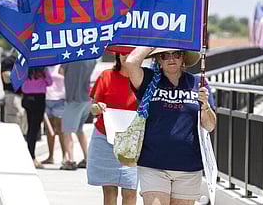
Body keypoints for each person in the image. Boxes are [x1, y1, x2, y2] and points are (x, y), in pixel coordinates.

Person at [125, 47, 216, 205]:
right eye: (164, 55)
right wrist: (156, 41)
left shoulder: (197, 82)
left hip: (189, 166)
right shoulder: (148, 79)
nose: (171, 58)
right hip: (153, 164)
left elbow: (210, 126)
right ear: (159, 60)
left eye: (176, 54)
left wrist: (205, 106)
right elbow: (131, 63)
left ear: (183, 58)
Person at [87, 52, 138, 205]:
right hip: (105, 139)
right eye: (122, 52)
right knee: (109, 191)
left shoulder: (143, 78)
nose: (126, 55)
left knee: (130, 191)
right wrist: (98, 107)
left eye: (130, 52)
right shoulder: (106, 75)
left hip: (132, 143)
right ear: (117, 55)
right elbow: (93, 109)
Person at [60, 59, 96, 170]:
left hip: (74, 98)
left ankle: (70, 160)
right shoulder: (92, 59)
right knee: (79, 130)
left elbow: (60, 71)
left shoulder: (70, 57)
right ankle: (87, 158)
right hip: (86, 98)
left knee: (67, 131)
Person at [22, 67, 53, 168]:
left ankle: (30, 154)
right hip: (39, 98)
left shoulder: (24, 67)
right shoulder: (43, 68)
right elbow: (49, 82)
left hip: (26, 97)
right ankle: (31, 156)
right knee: (34, 129)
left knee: (30, 126)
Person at [41, 65, 67, 165]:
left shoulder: (61, 65)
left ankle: (65, 156)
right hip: (46, 99)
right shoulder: (45, 66)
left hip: (59, 100)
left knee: (61, 130)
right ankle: (50, 156)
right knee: (49, 131)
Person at [1, 55, 27, 134]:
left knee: (23, 130)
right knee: (13, 128)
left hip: (25, 97)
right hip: (13, 96)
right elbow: (6, 77)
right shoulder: (9, 61)